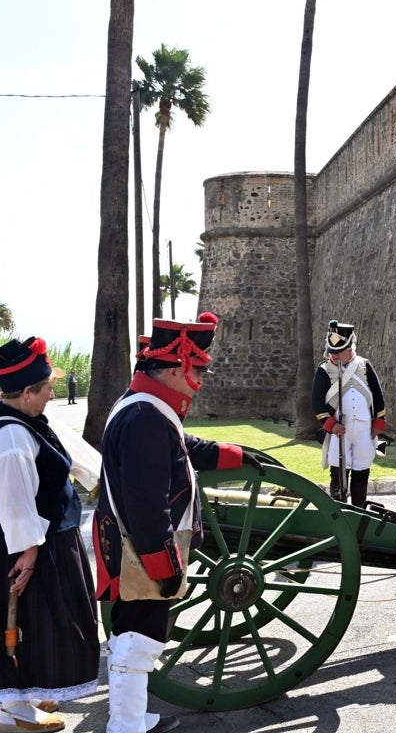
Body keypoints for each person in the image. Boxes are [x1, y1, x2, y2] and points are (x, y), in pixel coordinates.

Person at [95, 313, 256, 733]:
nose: (199, 379)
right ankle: (126, 725)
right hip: (142, 548)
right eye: (197, 370)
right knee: (138, 634)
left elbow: (181, 447)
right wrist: (163, 564)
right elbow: (147, 504)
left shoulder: (145, 407)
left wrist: (233, 454)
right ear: (173, 369)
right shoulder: (146, 416)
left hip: (134, 543)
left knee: (137, 630)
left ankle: (132, 717)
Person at [0, 337, 99, 733]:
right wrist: (28, 554)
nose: (53, 392)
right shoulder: (10, 439)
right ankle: (13, 712)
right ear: (26, 392)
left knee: (35, 627)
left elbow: (80, 461)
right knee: (19, 626)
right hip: (19, 548)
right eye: (46, 387)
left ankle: (19, 700)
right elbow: (14, 502)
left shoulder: (34, 420)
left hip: (38, 544)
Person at [311, 320, 387, 506]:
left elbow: (377, 394)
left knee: (361, 472)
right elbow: (317, 402)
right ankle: (339, 510)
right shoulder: (324, 371)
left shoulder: (363, 365)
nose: (334, 355)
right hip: (339, 431)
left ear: (349, 347)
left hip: (364, 430)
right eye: (332, 351)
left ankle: (359, 510)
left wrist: (379, 422)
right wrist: (331, 424)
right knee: (339, 475)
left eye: (338, 351)